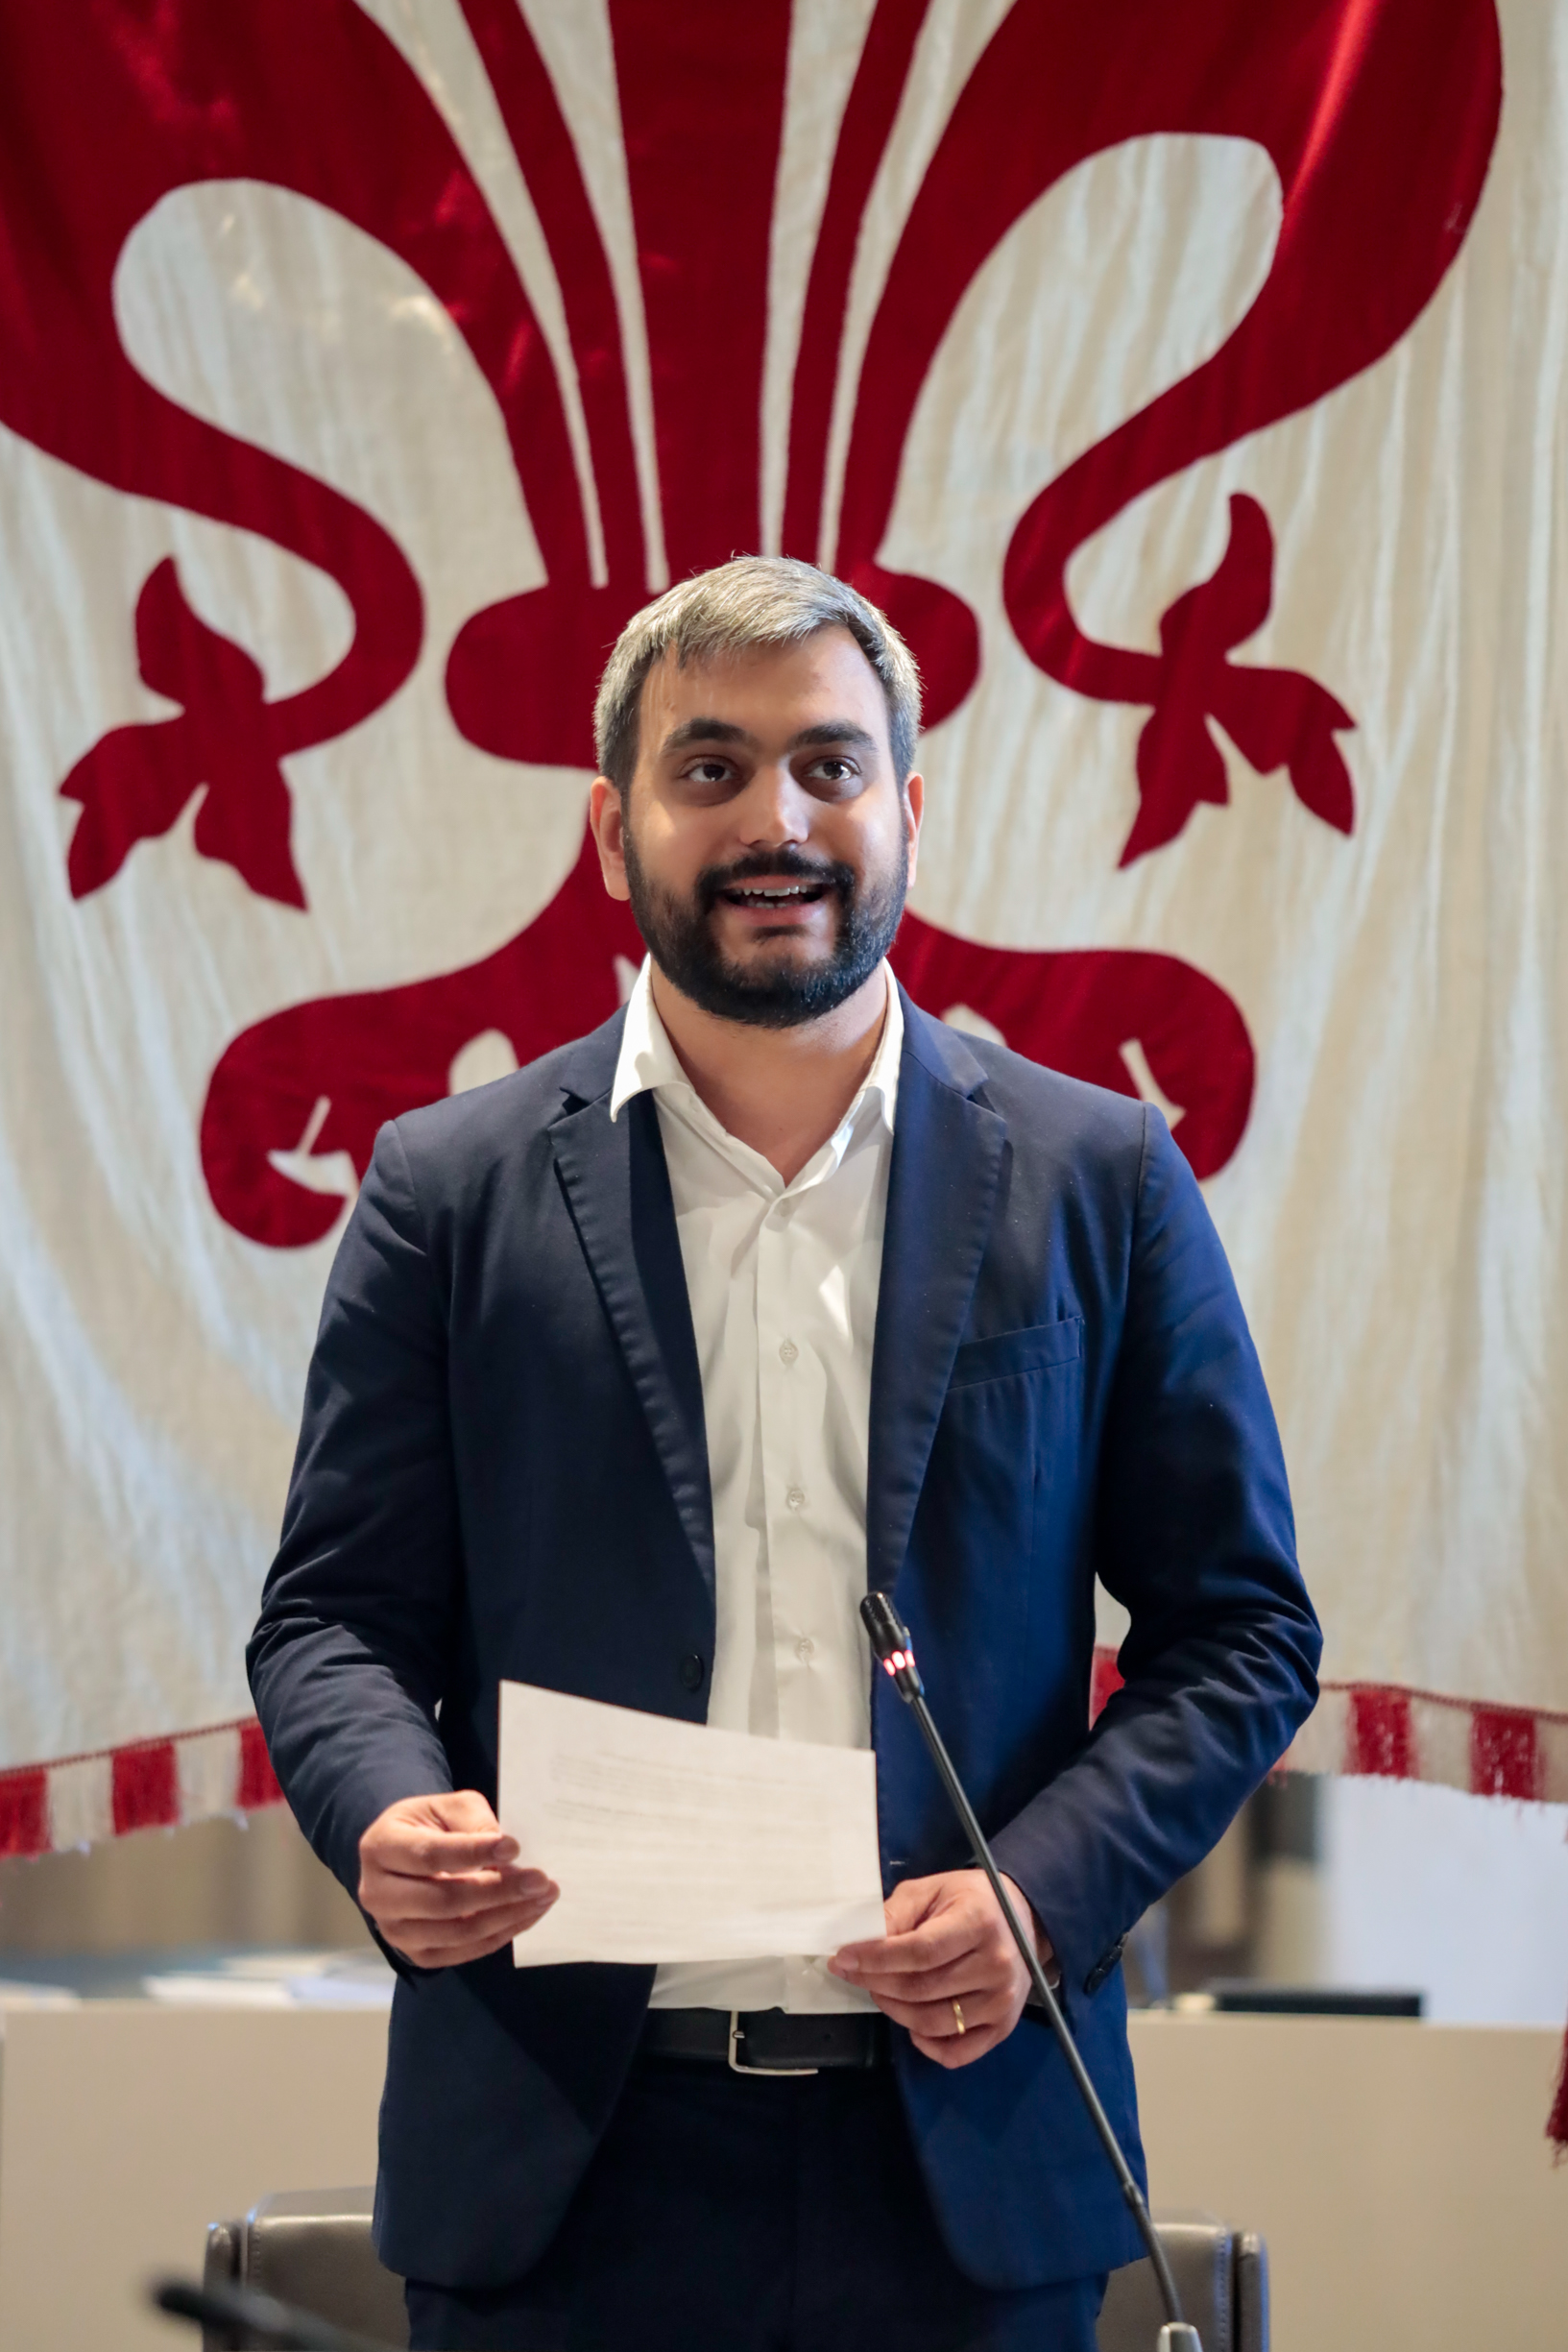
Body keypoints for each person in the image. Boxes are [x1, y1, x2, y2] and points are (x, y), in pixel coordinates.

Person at [250, 556, 1320, 2352]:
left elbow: (1241, 1632)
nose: (776, 821)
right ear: (613, 827)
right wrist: (381, 1807)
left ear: (908, 810)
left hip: (968, 2153)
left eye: (830, 765)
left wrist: (1036, 1895)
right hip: (563, 2167)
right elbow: (332, 1618)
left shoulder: (1100, 1179)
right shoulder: (447, 1189)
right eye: (710, 768)